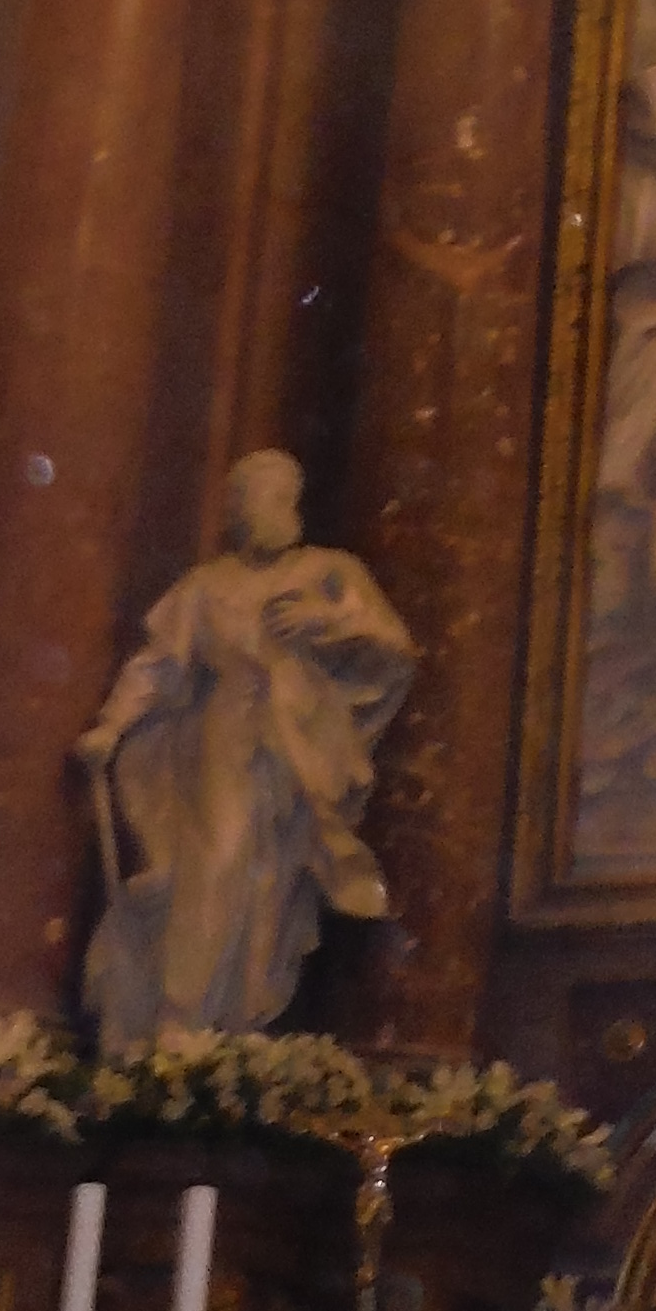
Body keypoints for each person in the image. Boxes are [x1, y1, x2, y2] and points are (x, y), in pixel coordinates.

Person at [73, 446, 415, 1042]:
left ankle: (236, 1019)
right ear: (238, 509)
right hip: (226, 737)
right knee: (217, 859)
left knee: (270, 883)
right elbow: (159, 665)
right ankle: (180, 1014)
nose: (274, 509)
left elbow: (394, 648)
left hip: (301, 748)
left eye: (282, 497)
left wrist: (328, 620)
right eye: (260, 498)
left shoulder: (329, 573)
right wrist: (112, 724)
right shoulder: (206, 587)